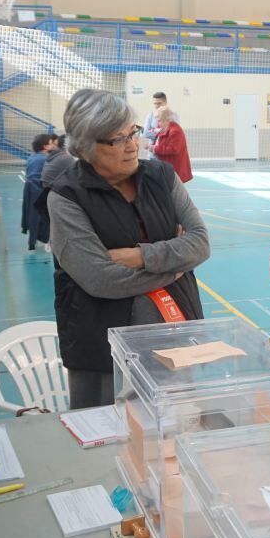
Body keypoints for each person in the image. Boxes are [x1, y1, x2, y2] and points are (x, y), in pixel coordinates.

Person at [46, 89, 210, 408]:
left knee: (175, 427)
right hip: (101, 348)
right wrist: (175, 266)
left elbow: (200, 243)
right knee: (106, 438)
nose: (133, 145)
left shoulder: (162, 176)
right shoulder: (66, 197)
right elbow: (100, 279)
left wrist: (140, 256)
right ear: (86, 147)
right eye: (117, 139)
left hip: (172, 334)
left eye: (132, 132)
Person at [21, 132, 57, 250]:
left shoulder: (31, 157)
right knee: (46, 214)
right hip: (39, 189)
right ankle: (47, 240)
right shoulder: (46, 159)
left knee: (33, 215)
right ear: (46, 146)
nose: (53, 145)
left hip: (29, 189)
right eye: (51, 143)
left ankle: (33, 241)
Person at [151, 106, 193, 183]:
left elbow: (174, 149)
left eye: (159, 120)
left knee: (173, 193)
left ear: (166, 119)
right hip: (167, 168)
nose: (158, 123)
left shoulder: (175, 131)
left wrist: (154, 148)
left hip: (174, 169)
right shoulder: (165, 128)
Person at [141, 91, 168, 160]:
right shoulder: (150, 116)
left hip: (167, 154)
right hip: (153, 155)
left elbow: (171, 135)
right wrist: (161, 132)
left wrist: (154, 130)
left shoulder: (173, 116)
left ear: (165, 103)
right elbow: (145, 134)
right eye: (155, 103)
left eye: (159, 103)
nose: (156, 106)